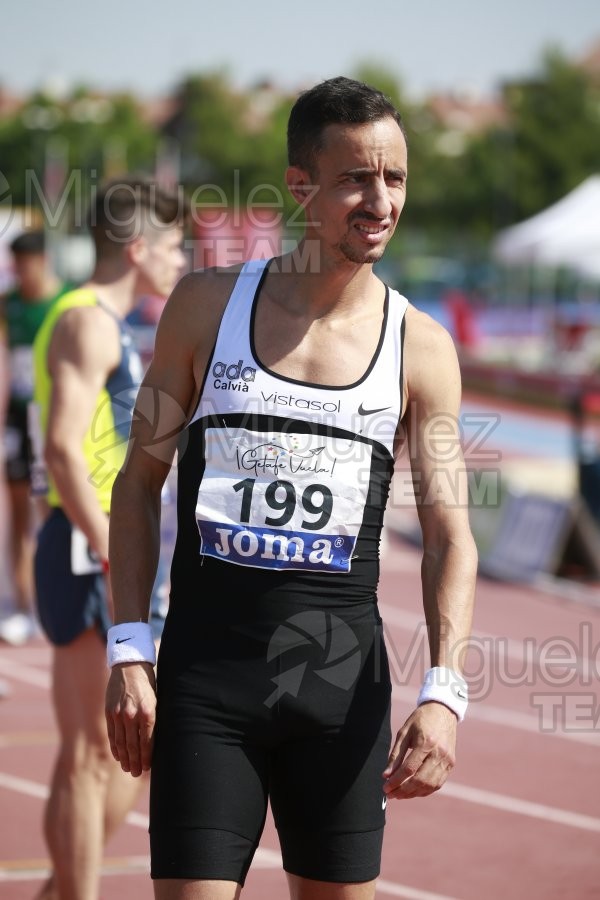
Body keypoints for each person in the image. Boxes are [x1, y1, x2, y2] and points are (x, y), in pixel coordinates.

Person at [105, 76, 478, 900]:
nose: (380, 201)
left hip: (339, 696)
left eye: (396, 178)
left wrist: (445, 691)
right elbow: (137, 484)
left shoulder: (421, 348)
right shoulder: (205, 308)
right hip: (209, 686)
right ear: (301, 185)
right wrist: (129, 646)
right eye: (357, 178)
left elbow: (450, 533)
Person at [32, 174, 188, 900]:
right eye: (175, 246)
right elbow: (62, 449)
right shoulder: (87, 323)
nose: (182, 260)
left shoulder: (115, 327)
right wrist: (106, 546)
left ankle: (59, 890)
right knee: (90, 754)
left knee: (132, 749)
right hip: (85, 545)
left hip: (114, 552)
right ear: (137, 249)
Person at [0, 228, 68, 645]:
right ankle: (23, 607)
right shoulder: (9, 304)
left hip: (51, 417)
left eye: (27, 263)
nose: (21, 272)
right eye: (15, 265)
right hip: (16, 419)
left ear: (43, 260)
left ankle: (52, 600)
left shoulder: (64, 302)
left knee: (52, 511)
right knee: (18, 510)